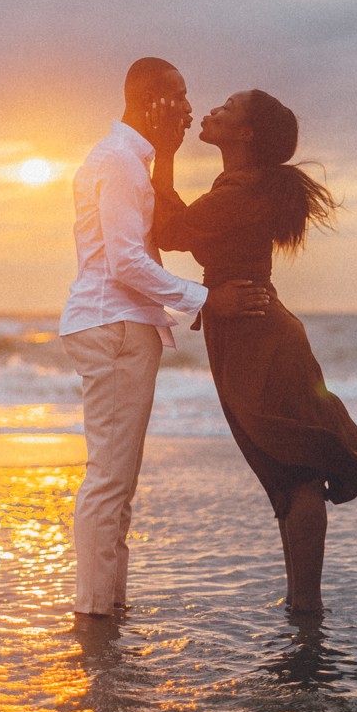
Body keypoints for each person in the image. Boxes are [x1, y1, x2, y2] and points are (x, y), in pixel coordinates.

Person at [150, 88, 357, 614]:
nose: (212, 111)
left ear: (246, 133)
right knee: (283, 473)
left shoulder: (241, 189)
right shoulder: (236, 185)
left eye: (226, 109)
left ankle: (307, 607)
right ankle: (302, 603)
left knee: (296, 471)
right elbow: (185, 227)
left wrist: (164, 151)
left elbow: (167, 229)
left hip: (258, 334)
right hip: (247, 331)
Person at [60, 58, 270, 618]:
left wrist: (170, 157)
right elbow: (127, 261)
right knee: (109, 479)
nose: (188, 107)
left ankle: (108, 603)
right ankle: (95, 611)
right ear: (149, 101)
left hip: (122, 324)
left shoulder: (130, 161)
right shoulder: (121, 163)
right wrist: (206, 299)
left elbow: (152, 242)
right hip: (117, 326)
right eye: (177, 96)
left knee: (117, 479)